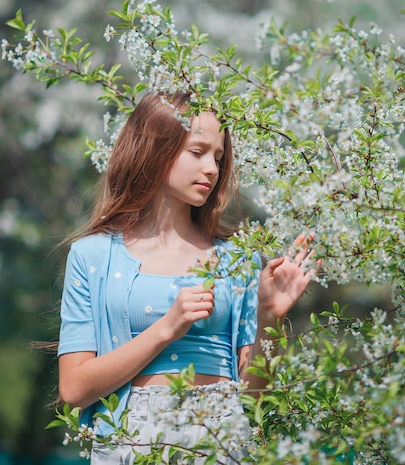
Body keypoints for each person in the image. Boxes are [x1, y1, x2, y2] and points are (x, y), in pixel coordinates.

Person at [58, 91, 316, 464]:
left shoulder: (237, 259)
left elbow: (253, 398)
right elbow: (74, 388)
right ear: (154, 148)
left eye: (218, 157)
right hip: (128, 446)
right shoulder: (92, 256)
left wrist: (268, 318)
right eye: (197, 152)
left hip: (218, 443)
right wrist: (167, 327)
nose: (211, 168)